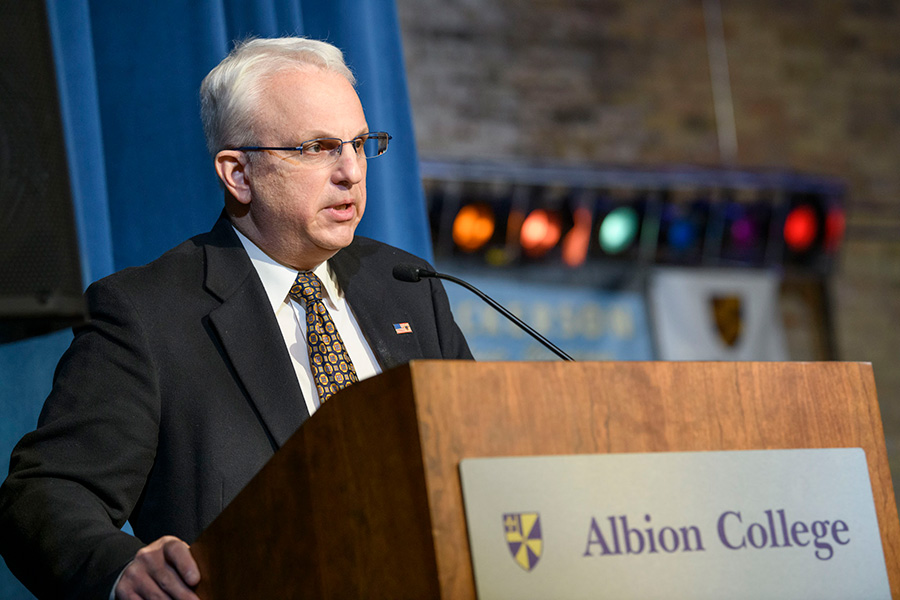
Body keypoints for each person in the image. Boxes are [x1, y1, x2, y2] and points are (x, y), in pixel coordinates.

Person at [0, 37, 472, 600]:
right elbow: (47, 492)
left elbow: (478, 458)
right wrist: (122, 570)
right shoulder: (148, 315)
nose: (351, 171)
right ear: (238, 173)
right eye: (317, 148)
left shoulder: (409, 286)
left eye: (359, 143)